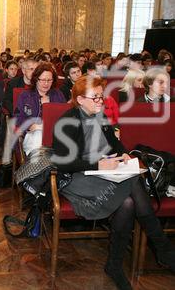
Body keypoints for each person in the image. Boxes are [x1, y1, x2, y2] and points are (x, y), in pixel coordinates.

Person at [52, 75, 175, 290]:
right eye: (96, 97)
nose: (101, 101)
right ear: (80, 99)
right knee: (134, 183)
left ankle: (115, 265)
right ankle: (163, 250)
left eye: (101, 96)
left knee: (128, 202)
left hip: (101, 174)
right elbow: (63, 163)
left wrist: (125, 155)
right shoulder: (66, 122)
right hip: (76, 178)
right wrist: (97, 165)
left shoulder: (100, 117)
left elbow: (115, 143)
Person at [14, 62, 66, 155]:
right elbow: (18, 118)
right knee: (38, 137)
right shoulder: (26, 95)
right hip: (33, 134)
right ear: (36, 79)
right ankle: (38, 166)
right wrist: (30, 126)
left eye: (49, 80)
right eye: (42, 80)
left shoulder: (58, 94)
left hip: (55, 134)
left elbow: (65, 115)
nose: (46, 83)